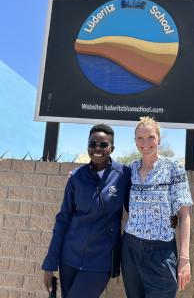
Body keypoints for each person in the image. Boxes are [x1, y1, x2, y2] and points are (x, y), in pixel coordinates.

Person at [42, 124, 131, 298]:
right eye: (93, 144)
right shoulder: (76, 176)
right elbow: (63, 219)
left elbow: (135, 211)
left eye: (103, 145)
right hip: (69, 258)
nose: (97, 148)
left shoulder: (124, 175)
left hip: (100, 261)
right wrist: (50, 263)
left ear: (112, 148)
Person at [121, 116, 193, 298]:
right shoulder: (132, 168)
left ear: (159, 139)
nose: (145, 143)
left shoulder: (173, 168)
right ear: (135, 141)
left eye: (150, 137)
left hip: (161, 252)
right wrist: (76, 174)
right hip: (130, 249)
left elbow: (185, 215)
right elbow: (108, 176)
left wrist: (184, 260)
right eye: (140, 138)